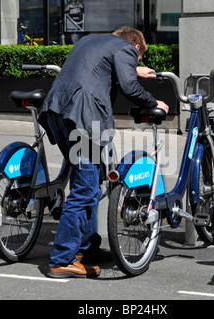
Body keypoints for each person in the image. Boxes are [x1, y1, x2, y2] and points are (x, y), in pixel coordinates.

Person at [38, 26, 169, 278]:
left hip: (57, 111)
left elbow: (98, 69)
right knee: (85, 188)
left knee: (87, 180)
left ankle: (87, 248)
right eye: (138, 58)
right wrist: (154, 102)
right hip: (83, 117)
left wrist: (132, 68)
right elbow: (129, 87)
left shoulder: (92, 41)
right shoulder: (127, 48)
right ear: (137, 47)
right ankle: (62, 259)